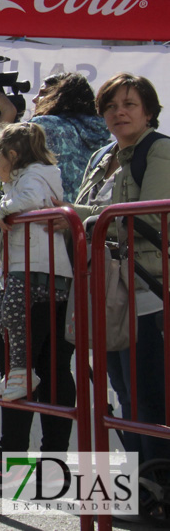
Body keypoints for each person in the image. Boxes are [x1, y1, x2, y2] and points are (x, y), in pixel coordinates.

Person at [0, 75, 107, 492]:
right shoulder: (101, 139)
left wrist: (7, 118)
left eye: (42, 93)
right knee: (58, 368)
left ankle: (13, 467)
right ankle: (55, 466)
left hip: (31, 264)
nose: (36, 100)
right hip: (73, 261)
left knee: (18, 365)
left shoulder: (45, 132)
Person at [71, 72, 170, 466]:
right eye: (110, 106)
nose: (119, 112)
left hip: (145, 288)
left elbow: (151, 219)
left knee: (147, 393)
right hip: (103, 286)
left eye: (129, 104)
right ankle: (138, 481)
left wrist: (74, 217)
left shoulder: (159, 150)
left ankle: (158, 481)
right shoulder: (101, 156)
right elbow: (86, 211)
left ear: (148, 111)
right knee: (121, 392)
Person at [0, 123, 73, 402]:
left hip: (37, 266)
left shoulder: (33, 175)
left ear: (13, 156)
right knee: (7, 315)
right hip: (28, 265)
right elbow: (26, 202)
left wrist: (2, 210)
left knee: (15, 315)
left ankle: (22, 372)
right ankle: (16, 374)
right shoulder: (26, 178)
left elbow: (30, 200)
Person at [0, 72, 111, 201]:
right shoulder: (99, 135)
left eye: (43, 93)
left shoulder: (44, 125)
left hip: (43, 218)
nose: (34, 99)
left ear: (58, 98)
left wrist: (7, 114)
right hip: (82, 218)